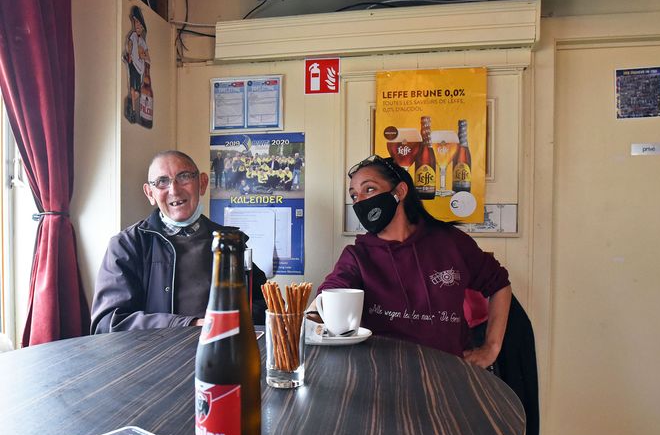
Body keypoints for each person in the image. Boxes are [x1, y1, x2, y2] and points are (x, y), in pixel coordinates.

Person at [310, 155, 511, 368]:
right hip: (382, 375)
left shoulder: (451, 242)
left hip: (449, 374)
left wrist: (492, 348)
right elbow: (329, 294)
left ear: (399, 192)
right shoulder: (358, 256)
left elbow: (499, 285)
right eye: (354, 196)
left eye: (369, 189)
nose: (360, 201)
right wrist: (310, 316)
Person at [91, 150, 267, 334]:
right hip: (157, 357)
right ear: (150, 193)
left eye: (184, 177)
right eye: (162, 182)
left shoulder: (229, 241)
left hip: (223, 350)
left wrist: (229, 321)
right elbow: (107, 323)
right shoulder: (126, 245)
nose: (174, 190)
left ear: (202, 183)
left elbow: (265, 303)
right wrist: (190, 325)